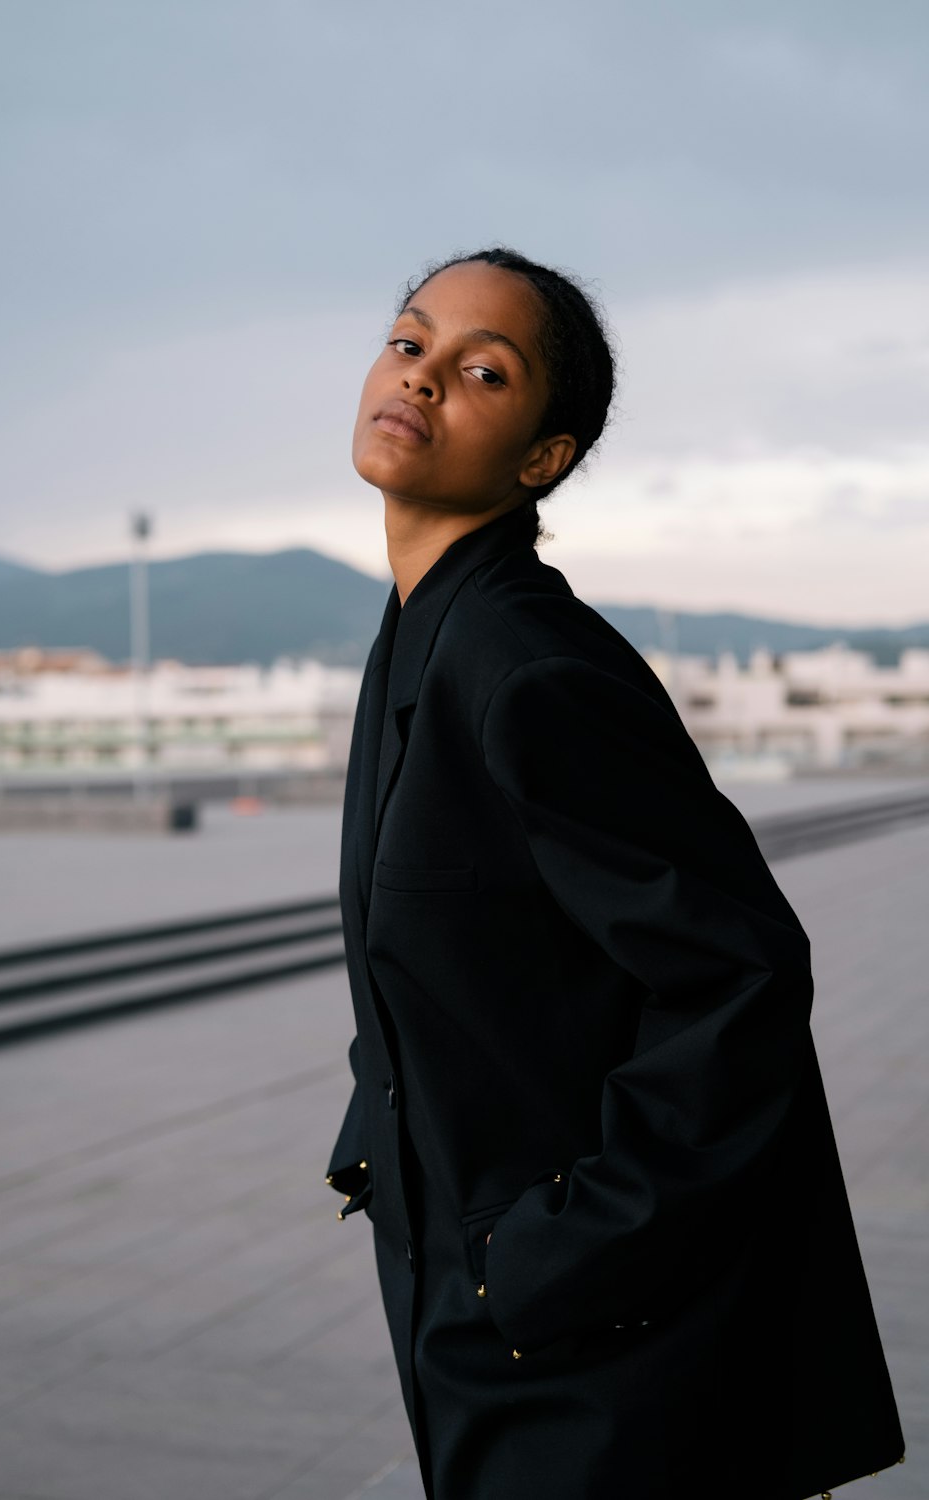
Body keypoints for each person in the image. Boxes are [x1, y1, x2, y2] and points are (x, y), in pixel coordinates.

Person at [324, 246, 905, 1500]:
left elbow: (739, 977)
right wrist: (385, 1150)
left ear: (544, 455)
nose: (421, 380)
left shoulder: (527, 668)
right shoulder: (421, 633)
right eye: (410, 342)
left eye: (481, 371)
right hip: (486, 1307)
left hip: (593, 1358)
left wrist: (542, 1256)